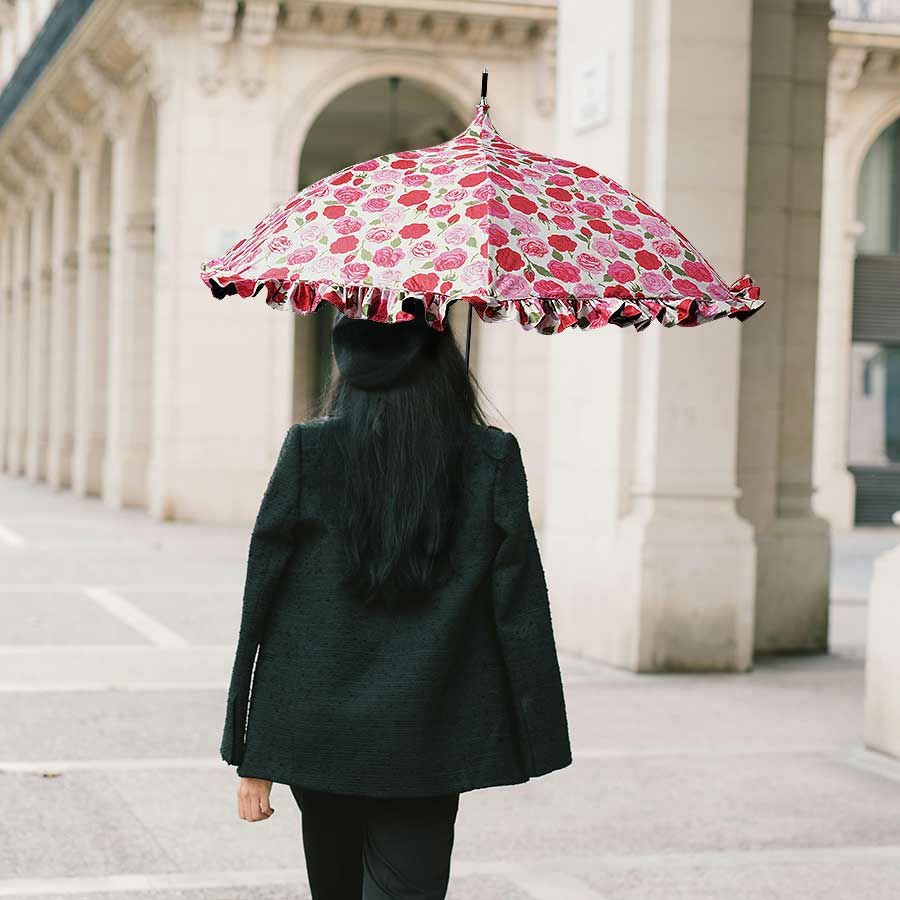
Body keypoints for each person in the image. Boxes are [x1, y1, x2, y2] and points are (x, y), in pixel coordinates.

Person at [222, 296, 572, 900]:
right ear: (442, 362)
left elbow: (263, 607)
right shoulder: (490, 458)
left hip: (318, 730)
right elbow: (521, 609)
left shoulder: (309, 451)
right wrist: (534, 735)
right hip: (431, 731)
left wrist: (250, 749)